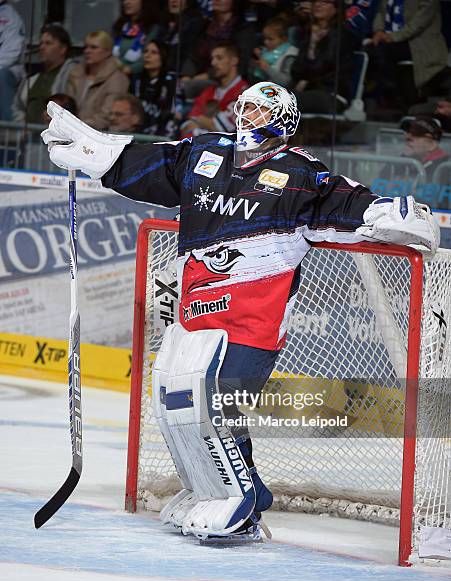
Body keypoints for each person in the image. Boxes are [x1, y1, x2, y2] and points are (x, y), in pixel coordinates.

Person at [41, 81, 439, 542]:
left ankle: (241, 502)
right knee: (177, 403)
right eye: (243, 108)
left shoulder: (299, 173)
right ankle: (210, 488)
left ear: (282, 119)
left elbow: (347, 202)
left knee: (214, 406)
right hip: (198, 313)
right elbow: (151, 164)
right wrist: (95, 152)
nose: (246, 116)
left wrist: (397, 214)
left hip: (254, 322)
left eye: (257, 110)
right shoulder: (203, 154)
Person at [290, 0, 359, 113]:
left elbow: (324, 66)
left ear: (336, 8)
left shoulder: (343, 35)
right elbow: (295, 69)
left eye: (325, 1)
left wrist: (305, 79)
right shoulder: (307, 33)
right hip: (309, 91)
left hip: (331, 94)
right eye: (316, 1)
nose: (318, 4)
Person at [65, 30, 129, 130]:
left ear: (108, 52)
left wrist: (78, 127)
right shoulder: (75, 74)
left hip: (98, 135)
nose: (87, 51)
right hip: (70, 132)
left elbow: (107, 115)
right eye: (85, 47)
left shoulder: (117, 79)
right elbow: (66, 106)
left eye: (93, 47)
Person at [181, 43, 247, 136]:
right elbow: (186, 125)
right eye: (212, 59)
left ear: (234, 61)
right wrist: (207, 125)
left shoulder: (245, 93)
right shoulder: (209, 91)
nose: (213, 63)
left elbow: (224, 131)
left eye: (219, 58)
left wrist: (198, 128)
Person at [12, 25, 75, 124]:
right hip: (28, 136)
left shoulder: (73, 74)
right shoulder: (32, 78)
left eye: (48, 43)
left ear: (62, 49)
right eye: (41, 43)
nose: (41, 47)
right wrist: (22, 124)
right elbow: (17, 106)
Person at [130, 40, 180, 138]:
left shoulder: (172, 82)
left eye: (154, 52)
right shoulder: (136, 80)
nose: (147, 56)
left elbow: (175, 114)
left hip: (162, 132)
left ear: (163, 57)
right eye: (145, 51)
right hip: (137, 130)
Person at [112, 0, 162, 77]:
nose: (126, 2)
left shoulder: (153, 28)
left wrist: (129, 69)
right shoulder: (119, 26)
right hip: (114, 74)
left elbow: (149, 56)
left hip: (139, 77)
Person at [250, 17, 298, 87]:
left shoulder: (289, 55)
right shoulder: (265, 50)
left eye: (270, 39)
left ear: (284, 39)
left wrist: (267, 68)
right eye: (264, 38)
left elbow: (286, 82)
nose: (266, 42)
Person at [0, 0, 25, 121]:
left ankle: (8, 132)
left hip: (8, 69)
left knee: (2, 75)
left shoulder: (9, 16)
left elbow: (11, 53)